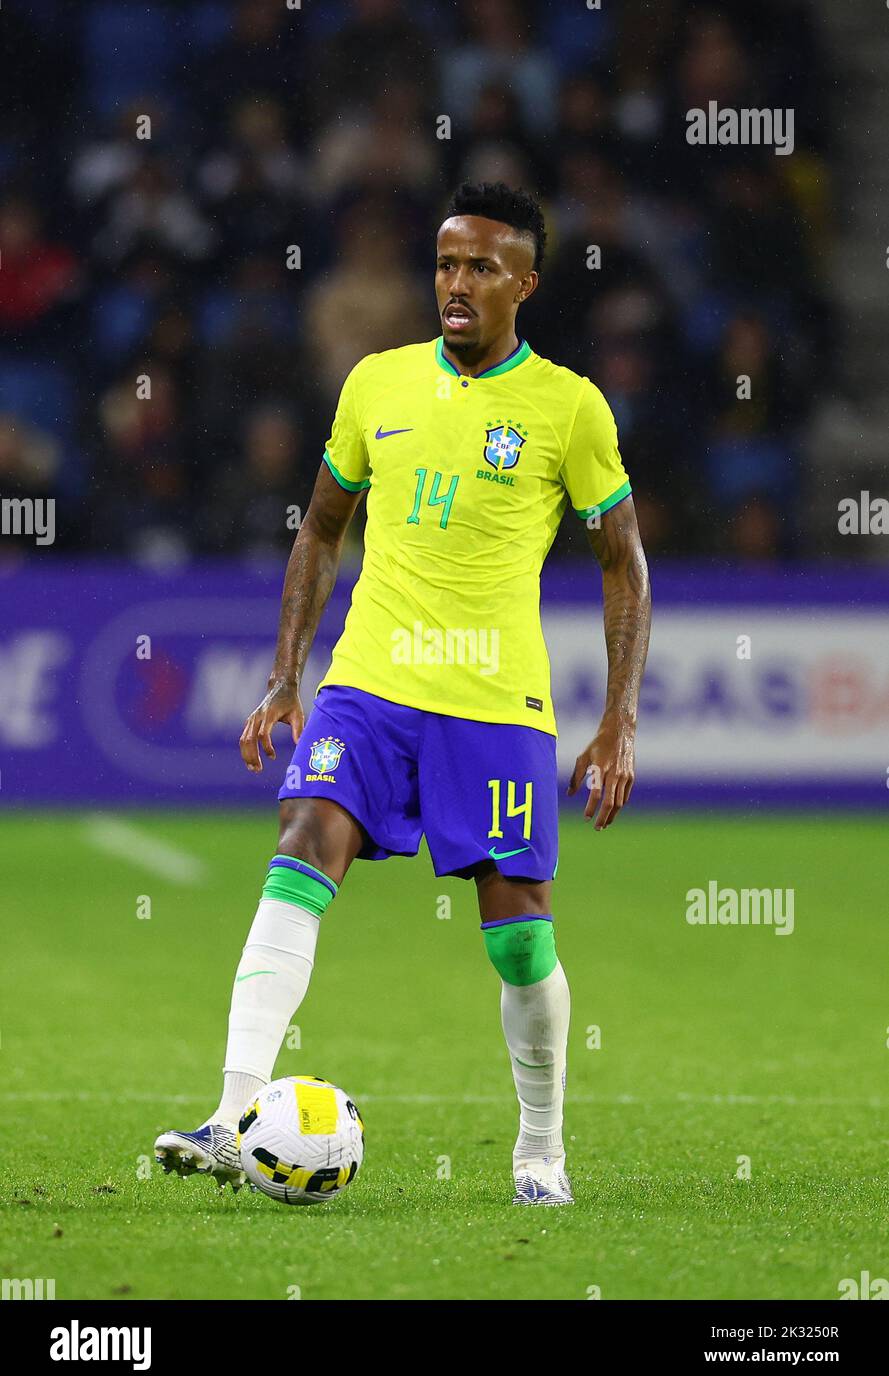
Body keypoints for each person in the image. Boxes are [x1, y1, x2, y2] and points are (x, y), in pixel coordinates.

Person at [155, 181, 651, 1206]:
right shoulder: (375, 384)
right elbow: (321, 525)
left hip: (494, 698)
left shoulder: (568, 407)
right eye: (442, 263)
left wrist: (616, 721)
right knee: (301, 842)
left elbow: (624, 563)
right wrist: (288, 674)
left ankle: (539, 1147)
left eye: (478, 267)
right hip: (368, 682)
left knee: (518, 936)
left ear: (525, 281)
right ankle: (231, 1110)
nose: (454, 284)